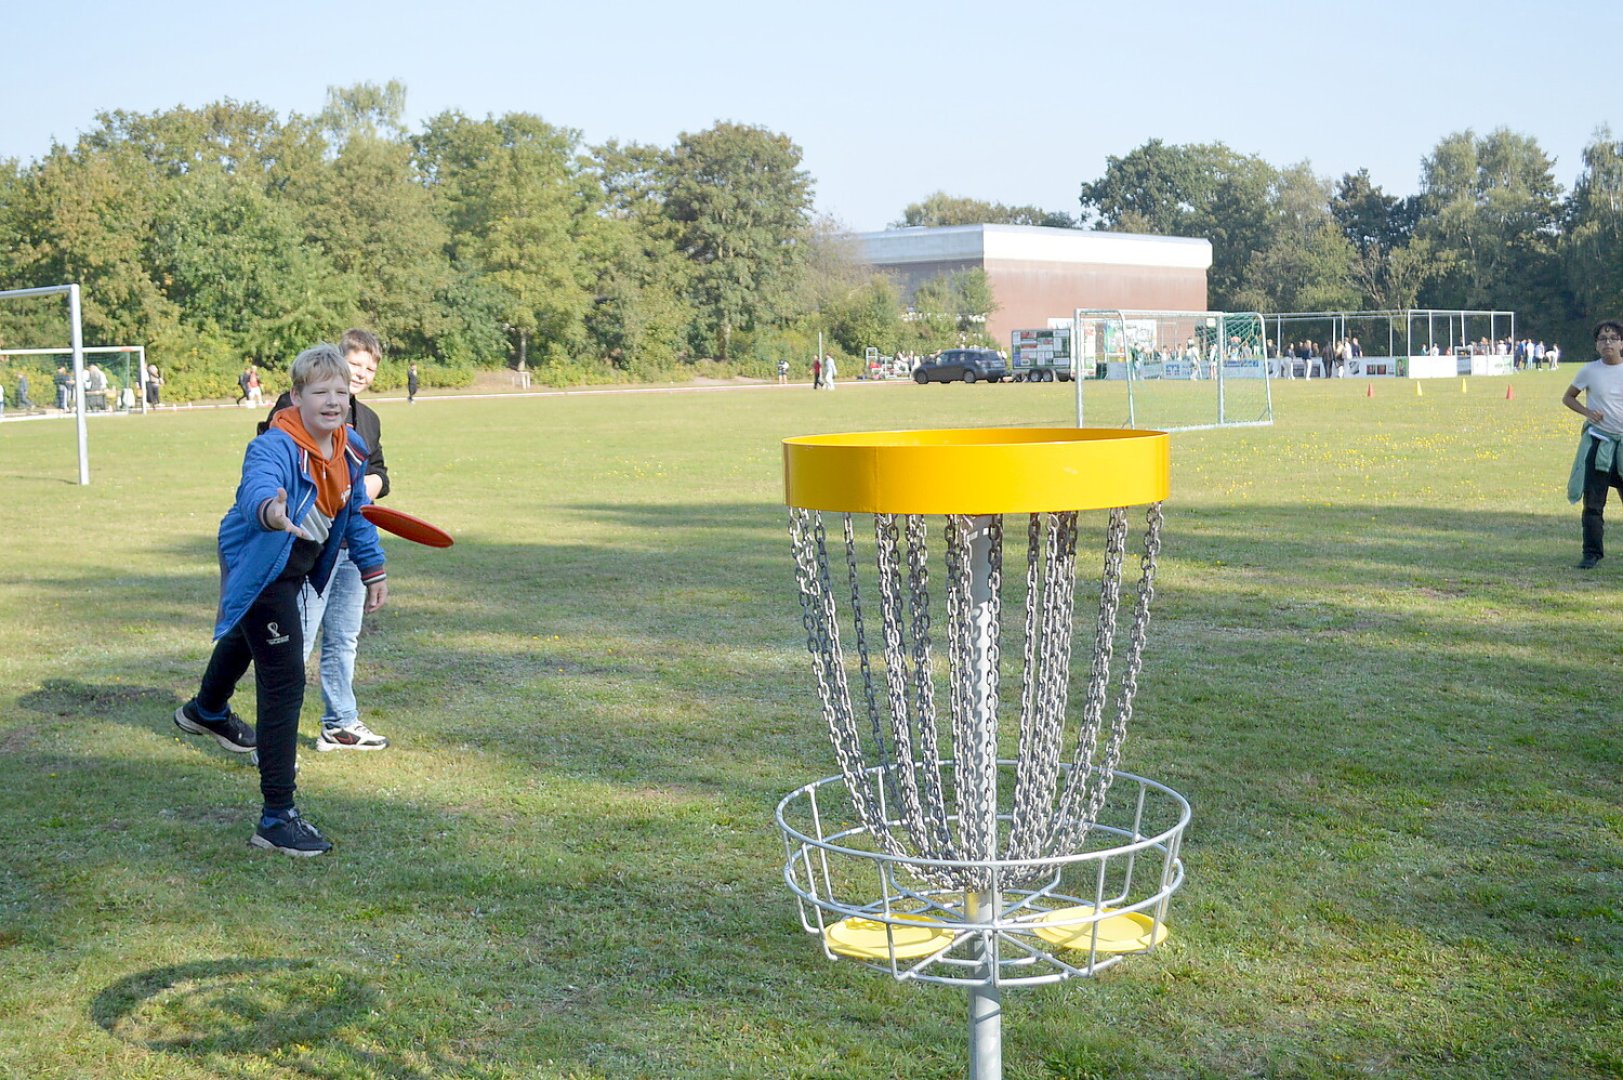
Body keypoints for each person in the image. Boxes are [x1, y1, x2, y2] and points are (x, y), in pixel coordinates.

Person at [174, 343, 388, 855]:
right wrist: (272, 510)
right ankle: (276, 817)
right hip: (260, 566)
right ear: (296, 396)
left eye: (341, 391)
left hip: (295, 569)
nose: (333, 400)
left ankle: (205, 711)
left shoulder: (351, 447)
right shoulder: (275, 444)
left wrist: (373, 566)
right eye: (320, 392)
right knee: (285, 677)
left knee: (252, 640)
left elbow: (354, 512)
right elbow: (258, 490)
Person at [260, 329, 391, 751]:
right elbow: (266, 470)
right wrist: (270, 509)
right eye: (356, 364)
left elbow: (377, 474)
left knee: (344, 638)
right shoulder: (294, 408)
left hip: (352, 545)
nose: (362, 374)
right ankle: (275, 737)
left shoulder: (365, 421)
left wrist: (370, 483)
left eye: (370, 368)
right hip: (309, 551)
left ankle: (340, 723)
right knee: (296, 644)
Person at [1562, 321, 1623, 569]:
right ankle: (1592, 554)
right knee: (1594, 504)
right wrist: (1587, 412)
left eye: (1613, 338)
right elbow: (1568, 397)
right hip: (1599, 443)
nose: (1607, 342)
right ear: (1596, 345)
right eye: (1602, 338)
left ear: (1622, 343)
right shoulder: (1589, 371)